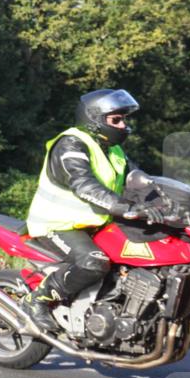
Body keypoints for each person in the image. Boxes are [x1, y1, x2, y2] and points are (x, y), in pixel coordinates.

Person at [22, 89, 164, 332]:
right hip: (57, 224)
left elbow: (138, 179)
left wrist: (166, 200)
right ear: (94, 118)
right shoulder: (70, 144)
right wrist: (126, 207)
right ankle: (37, 301)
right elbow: (83, 184)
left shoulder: (113, 150)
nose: (123, 125)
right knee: (93, 262)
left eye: (124, 119)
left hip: (96, 225)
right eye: (116, 120)